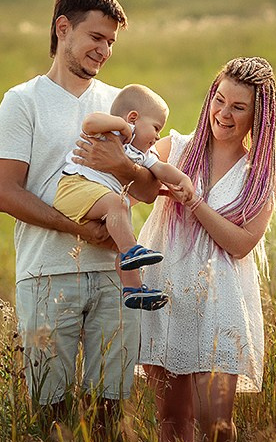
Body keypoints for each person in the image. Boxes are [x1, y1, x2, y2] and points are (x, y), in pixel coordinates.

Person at [0, 0, 159, 436]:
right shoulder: (21, 102)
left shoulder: (122, 106)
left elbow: (147, 188)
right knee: (49, 407)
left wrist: (123, 164)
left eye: (111, 43)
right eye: (96, 38)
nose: (104, 51)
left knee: (111, 406)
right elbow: (6, 193)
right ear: (63, 29)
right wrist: (79, 229)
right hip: (47, 273)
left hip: (114, 274)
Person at [137, 57, 276, 442]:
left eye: (239, 107)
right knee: (171, 419)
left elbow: (241, 244)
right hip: (165, 289)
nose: (224, 113)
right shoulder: (177, 148)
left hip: (222, 304)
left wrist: (193, 200)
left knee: (214, 422)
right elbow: (132, 186)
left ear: (259, 116)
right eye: (219, 99)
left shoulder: (260, 172)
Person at [54, 83, 195, 311]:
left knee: (122, 235)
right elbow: (89, 123)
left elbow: (161, 169)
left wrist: (183, 180)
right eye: (156, 127)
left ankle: (134, 289)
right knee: (119, 205)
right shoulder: (112, 133)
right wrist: (122, 125)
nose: (158, 136)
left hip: (100, 201)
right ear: (133, 118)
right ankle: (131, 252)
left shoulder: (142, 154)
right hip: (74, 187)